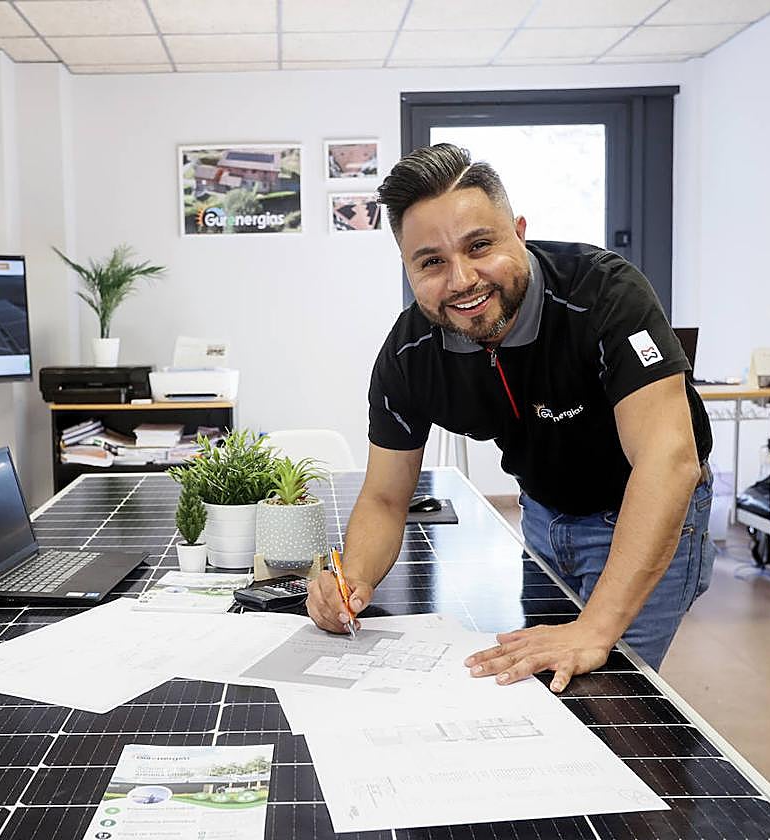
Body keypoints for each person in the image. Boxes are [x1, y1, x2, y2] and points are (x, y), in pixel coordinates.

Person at [306, 143, 714, 691]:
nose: (461, 280)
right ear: (408, 269)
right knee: (542, 679)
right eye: (431, 262)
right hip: (543, 514)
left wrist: (594, 628)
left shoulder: (605, 295)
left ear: (519, 232)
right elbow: (384, 497)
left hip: (645, 507)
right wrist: (350, 580)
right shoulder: (410, 355)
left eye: (479, 245)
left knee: (607, 695)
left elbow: (669, 461)